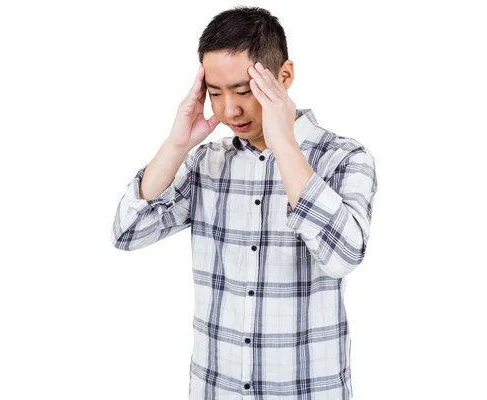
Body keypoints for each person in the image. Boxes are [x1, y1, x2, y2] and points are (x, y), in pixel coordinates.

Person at [111, 5, 378, 399]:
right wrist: (176, 144)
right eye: (214, 93)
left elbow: (343, 257)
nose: (229, 110)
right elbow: (127, 233)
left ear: (283, 77)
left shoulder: (344, 158)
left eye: (242, 90)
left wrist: (284, 143)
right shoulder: (206, 162)